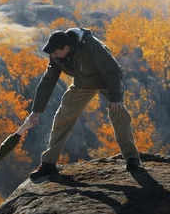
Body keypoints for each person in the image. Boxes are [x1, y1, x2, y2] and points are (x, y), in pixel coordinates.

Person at [29, 27, 142, 180]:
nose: (53, 56)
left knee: (119, 113)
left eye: (56, 52)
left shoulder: (90, 45)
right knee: (62, 116)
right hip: (82, 84)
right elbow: (48, 81)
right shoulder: (56, 55)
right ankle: (48, 164)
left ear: (66, 48)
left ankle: (131, 158)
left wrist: (115, 98)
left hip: (106, 81)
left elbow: (112, 70)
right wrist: (36, 110)